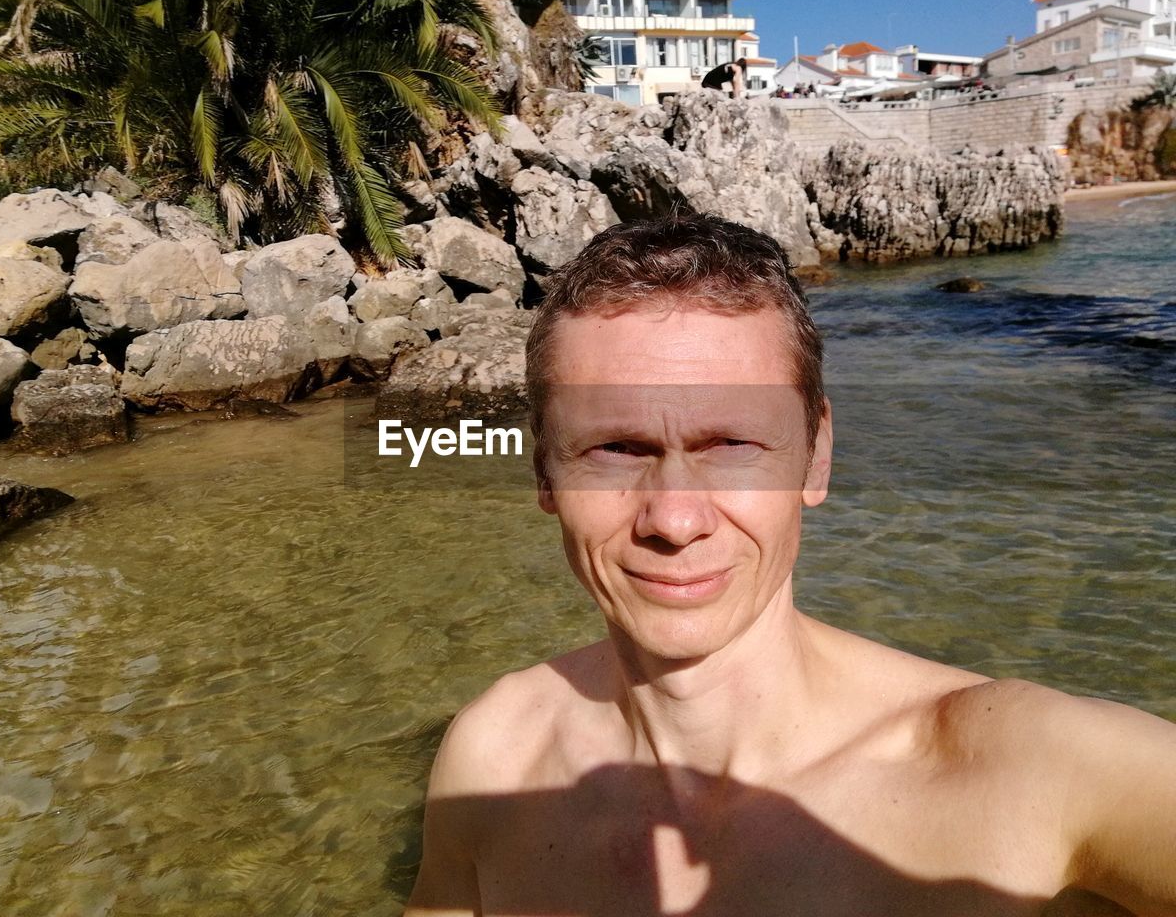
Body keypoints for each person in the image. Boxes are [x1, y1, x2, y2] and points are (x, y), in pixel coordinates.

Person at [404, 214, 1176, 916]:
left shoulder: (1037, 775)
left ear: (817, 456)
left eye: (734, 447)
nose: (675, 520)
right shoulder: (493, 757)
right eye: (615, 449)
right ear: (543, 472)